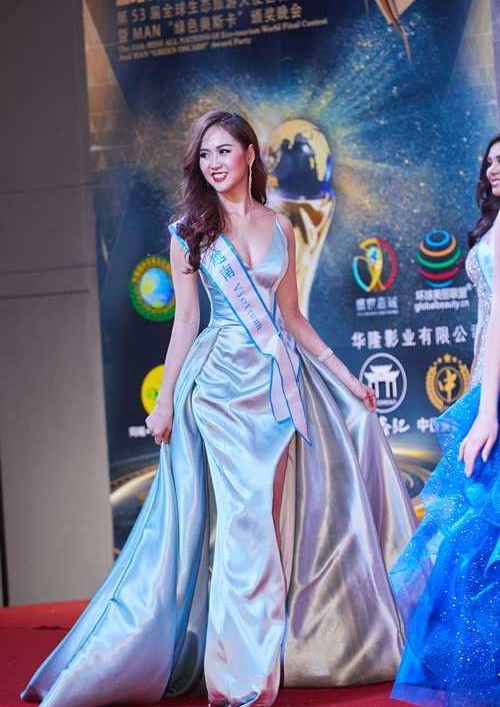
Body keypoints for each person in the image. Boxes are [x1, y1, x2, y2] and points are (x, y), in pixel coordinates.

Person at [22, 111, 417, 707]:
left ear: (250, 155)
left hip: (279, 387)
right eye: (204, 154)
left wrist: (346, 377)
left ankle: (267, 653)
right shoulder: (190, 231)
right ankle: (238, 680)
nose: (213, 163)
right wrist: (164, 402)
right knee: (242, 523)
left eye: (224, 150)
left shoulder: (281, 226)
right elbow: (185, 321)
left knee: (269, 525)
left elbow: (292, 318)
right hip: (220, 390)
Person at [390, 134, 500, 707]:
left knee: (482, 530)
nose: (495, 169)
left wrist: (488, 410)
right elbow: (488, 322)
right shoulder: (490, 228)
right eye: (491, 161)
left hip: (493, 398)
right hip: (485, 387)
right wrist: (478, 398)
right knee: (474, 536)